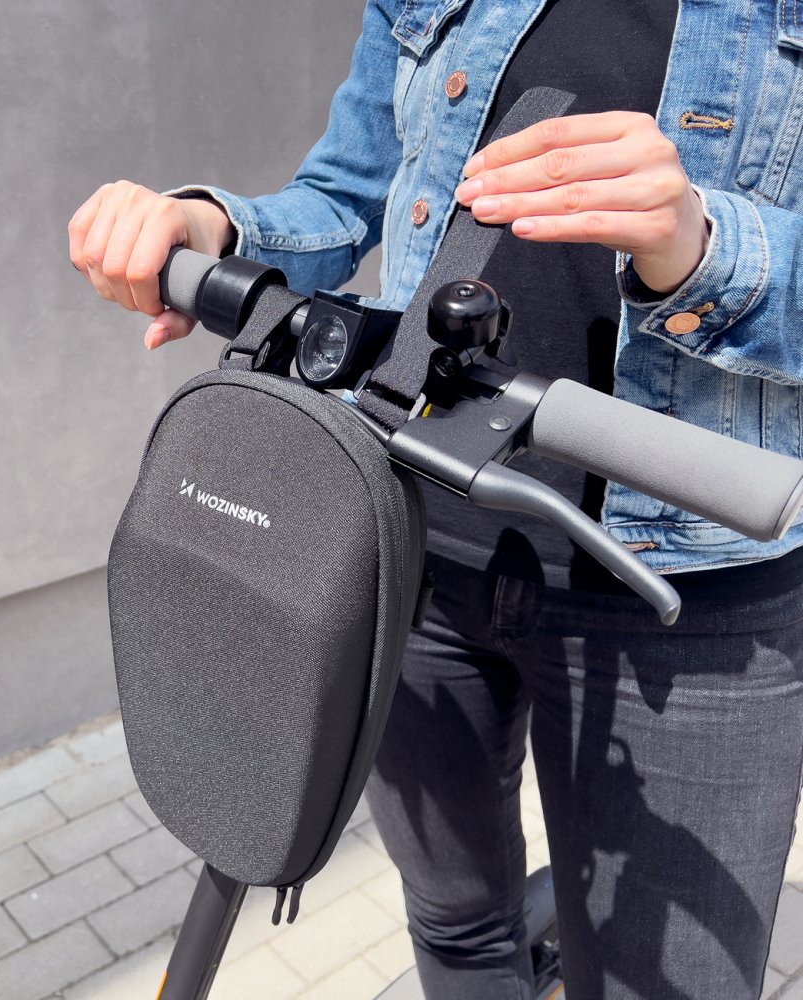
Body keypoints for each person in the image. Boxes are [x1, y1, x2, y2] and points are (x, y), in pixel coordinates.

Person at [68, 1, 803, 997]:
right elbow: (344, 193)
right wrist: (214, 225)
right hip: (409, 544)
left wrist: (700, 243)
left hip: (687, 594)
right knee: (456, 923)